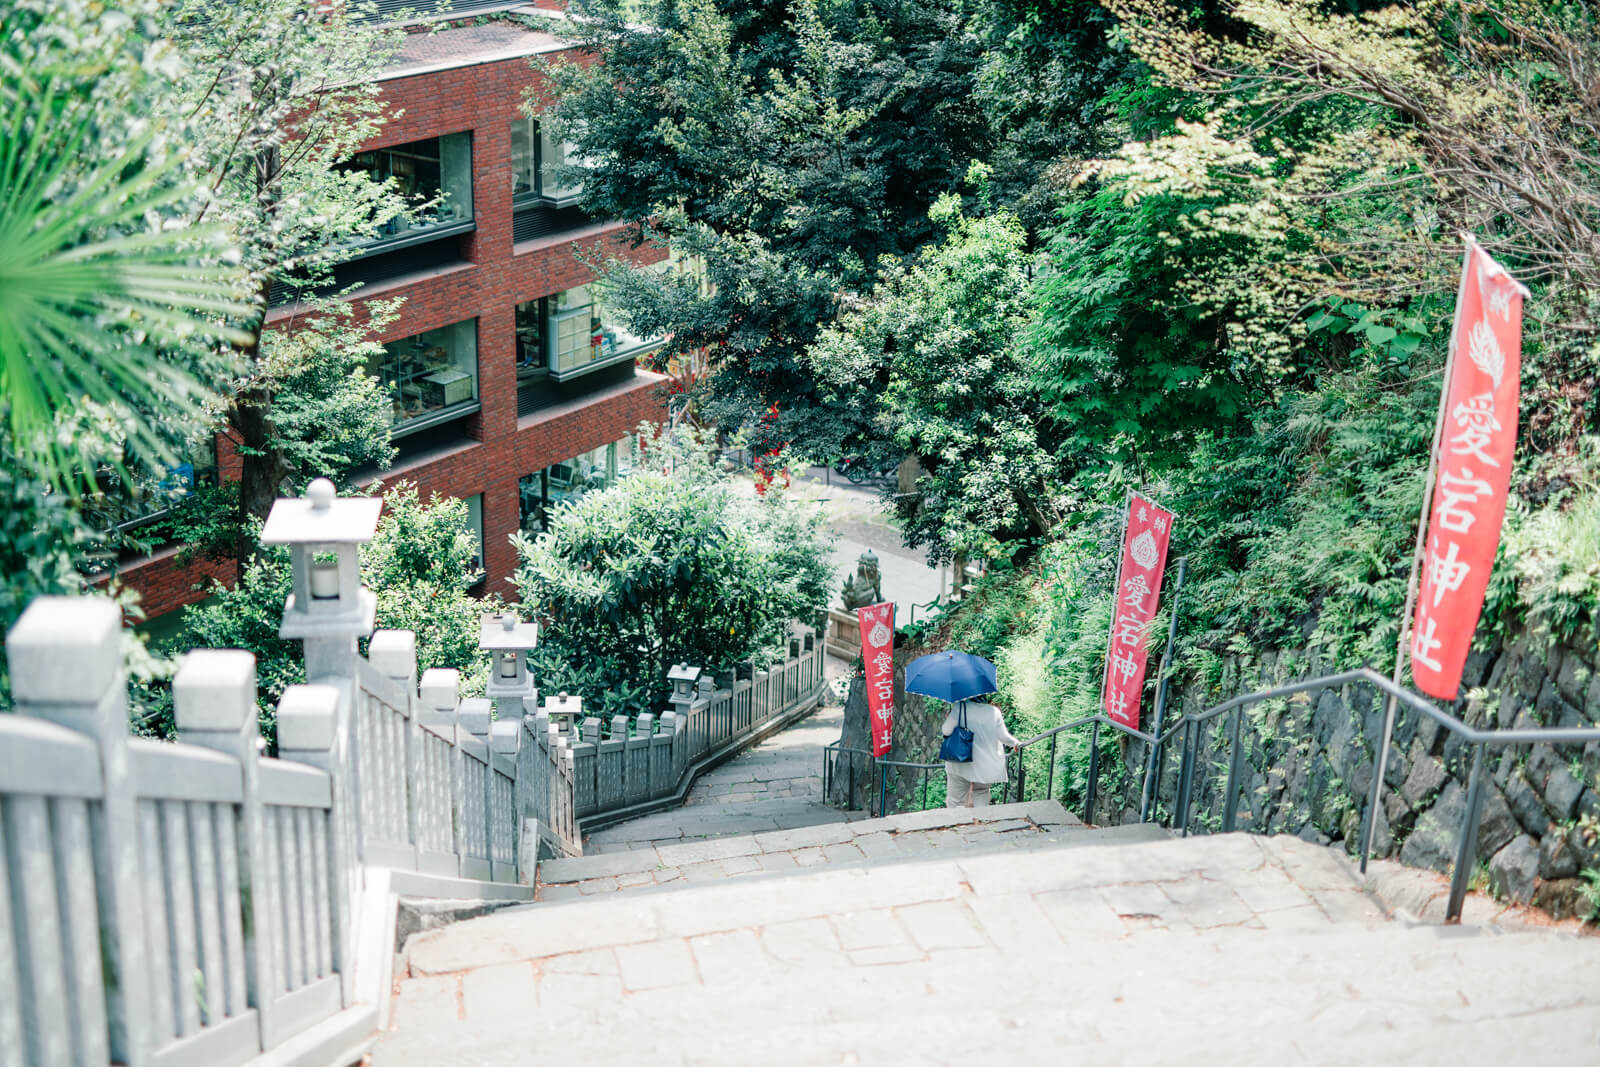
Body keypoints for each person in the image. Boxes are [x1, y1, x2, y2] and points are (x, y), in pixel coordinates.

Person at [941, 695, 1020, 807]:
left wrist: (950, 718)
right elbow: (1003, 737)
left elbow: (946, 731)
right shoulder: (993, 712)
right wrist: (1015, 743)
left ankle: (956, 823)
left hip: (960, 762)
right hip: (985, 764)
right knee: (981, 793)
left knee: (956, 800)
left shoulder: (959, 708)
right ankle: (980, 822)